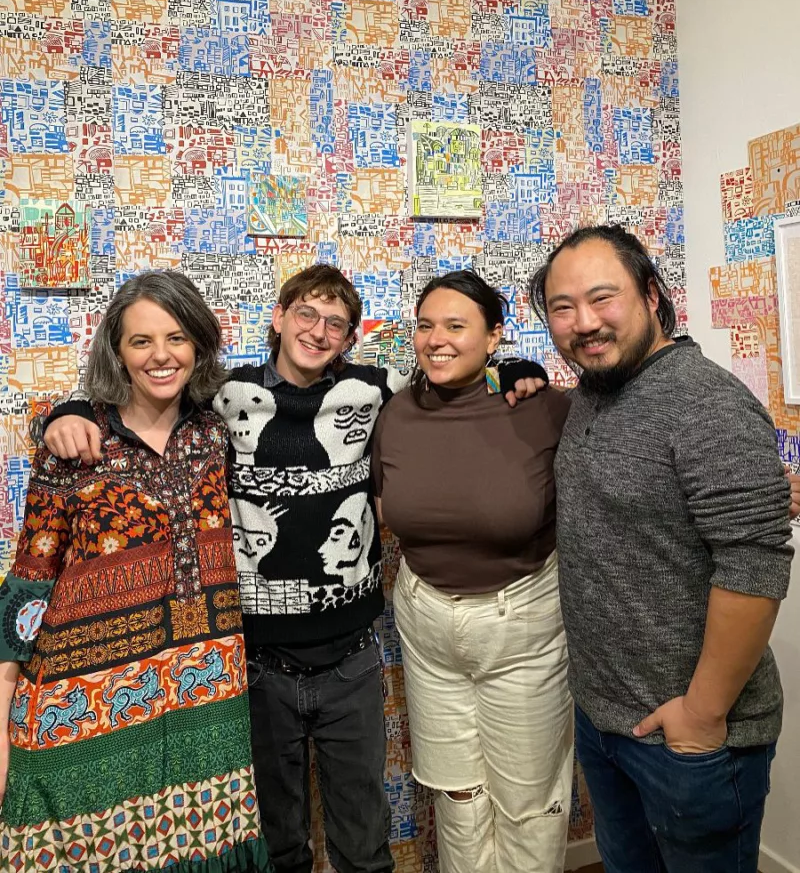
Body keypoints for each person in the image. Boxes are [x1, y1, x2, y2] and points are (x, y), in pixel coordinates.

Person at [41, 264, 546, 873]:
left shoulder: (376, 391)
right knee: (278, 841)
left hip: (352, 659)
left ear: (350, 338)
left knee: (363, 840)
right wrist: (67, 409)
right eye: (306, 312)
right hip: (255, 663)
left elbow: (450, 372)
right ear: (278, 319)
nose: (319, 329)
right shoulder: (222, 397)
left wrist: (514, 369)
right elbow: (143, 394)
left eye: (337, 322)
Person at [528, 224, 794, 873]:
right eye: (562, 308)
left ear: (651, 295)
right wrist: (517, 374)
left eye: (602, 298)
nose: (583, 323)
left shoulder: (705, 403)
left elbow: (755, 566)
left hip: (692, 738)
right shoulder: (595, 393)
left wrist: (701, 717)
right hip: (606, 721)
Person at [0, 270, 270, 872]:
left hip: (205, 694)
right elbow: (28, 585)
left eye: (176, 337)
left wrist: (508, 372)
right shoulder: (73, 442)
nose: (161, 355)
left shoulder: (216, 431)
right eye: (140, 341)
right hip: (83, 703)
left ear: (198, 343)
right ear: (116, 352)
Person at [371, 270, 574, 873]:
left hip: (523, 625)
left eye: (456, 326)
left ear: (494, 338)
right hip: (428, 626)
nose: (437, 338)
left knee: (528, 803)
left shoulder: (542, 409)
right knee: (456, 794)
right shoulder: (397, 414)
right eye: (426, 325)